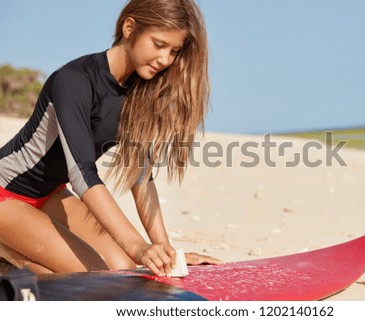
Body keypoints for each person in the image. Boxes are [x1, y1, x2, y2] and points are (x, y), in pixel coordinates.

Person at [0, 0, 221, 277]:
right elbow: (82, 174)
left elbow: (141, 176)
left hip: (49, 193)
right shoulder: (74, 80)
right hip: (5, 194)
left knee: (122, 268)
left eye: (174, 51)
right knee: (95, 276)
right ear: (130, 28)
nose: (165, 60)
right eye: (159, 44)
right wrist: (139, 246)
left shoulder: (137, 95)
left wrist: (165, 252)